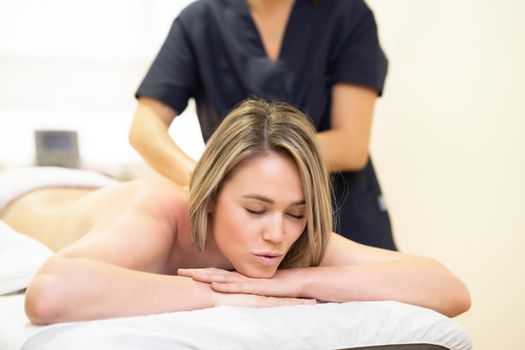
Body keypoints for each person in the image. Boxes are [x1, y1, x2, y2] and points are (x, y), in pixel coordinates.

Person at [1, 100, 470, 325]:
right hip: (24, 196)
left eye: (296, 212)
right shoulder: (154, 214)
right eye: (255, 208)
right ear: (207, 193)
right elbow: (49, 293)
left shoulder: (289, 234)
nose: (276, 234)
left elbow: (448, 290)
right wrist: (225, 296)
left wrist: (296, 282)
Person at [129, 0, 397, 250]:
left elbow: (351, 144)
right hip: (248, 239)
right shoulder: (201, 20)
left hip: (339, 221)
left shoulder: (346, 14)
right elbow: (145, 129)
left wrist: (250, 165)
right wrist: (204, 179)